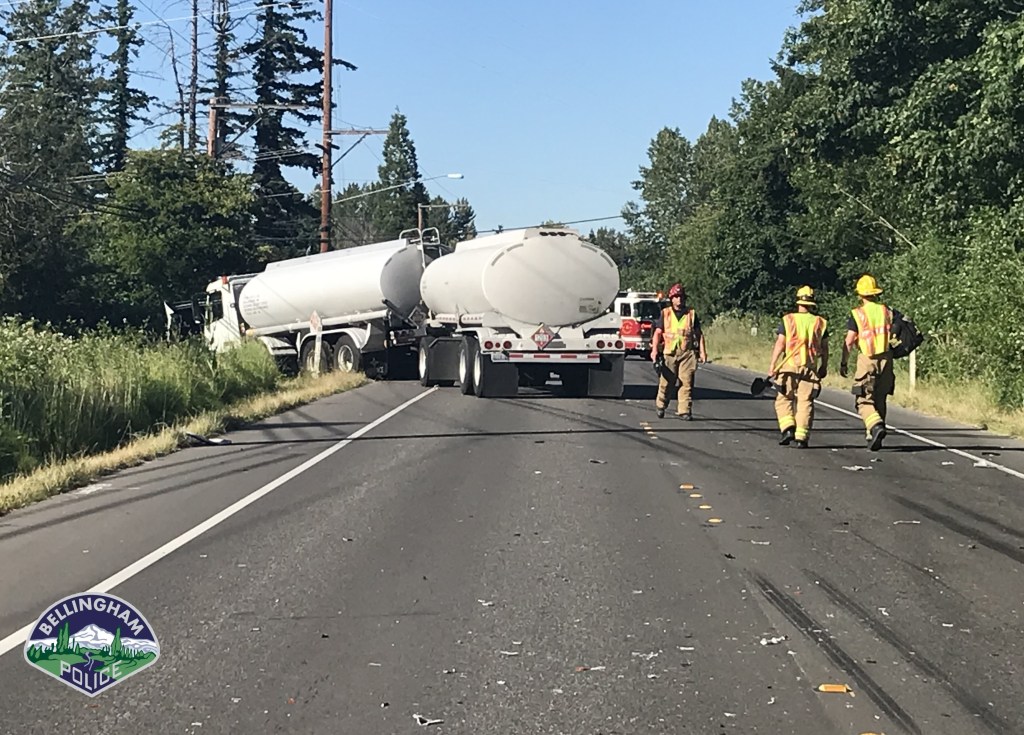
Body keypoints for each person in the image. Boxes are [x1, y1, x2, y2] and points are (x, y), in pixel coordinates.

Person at [840, 274, 903, 451]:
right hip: (886, 359)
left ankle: (875, 426)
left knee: (863, 399)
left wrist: (844, 362)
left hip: (867, 359)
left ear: (860, 294)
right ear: (875, 293)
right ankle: (873, 435)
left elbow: (849, 341)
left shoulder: (858, 314)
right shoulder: (887, 311)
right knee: (880, 398)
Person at [768, 286, 829, 448]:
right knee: (805, 402)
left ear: (798, 301)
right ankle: (802, 437)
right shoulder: (820, 322)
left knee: (784, 398)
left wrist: (773, 365)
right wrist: (824, 366)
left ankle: (788, 428)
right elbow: (824, 348)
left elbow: (780, 343)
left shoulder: (788, 320)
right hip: (810, 367)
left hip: (789, 366)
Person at [650, 283, 708, 420]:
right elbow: (658, 333)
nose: (679, 299)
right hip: (669, 353)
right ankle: (661, 405)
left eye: (681, 296)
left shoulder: (691, 314)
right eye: (676, 297)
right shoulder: (665, 313)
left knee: (686, 382)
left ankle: (685, 411)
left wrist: (702, 352)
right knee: (666, 382)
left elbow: (699, 334)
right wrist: (654, 350)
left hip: (687, 353)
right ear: (671, 299)